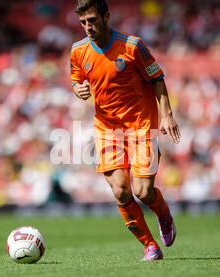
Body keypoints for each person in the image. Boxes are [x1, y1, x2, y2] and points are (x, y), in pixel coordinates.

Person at [70, 0, 181, 261]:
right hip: (107, 128)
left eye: (93, 20)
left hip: (141, 125)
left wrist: (166, 115)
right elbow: (76, 79)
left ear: (106, 17)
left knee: (143, 192)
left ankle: (162, 212)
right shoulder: (77, 51)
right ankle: (150, 245)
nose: (88, 27)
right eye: (83, 22)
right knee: (120, 190)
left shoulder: (133, 45)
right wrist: (78, 89)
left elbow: (157, 78)